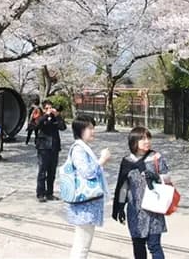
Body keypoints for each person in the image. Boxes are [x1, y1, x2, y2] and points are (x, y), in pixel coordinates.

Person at [112, 126, 171, 259]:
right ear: (134, 142)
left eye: (148, 138)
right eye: (143, 138)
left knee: (154, 246)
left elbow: (167, 179)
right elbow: (123, 186)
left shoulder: (156, 157)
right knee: (138, 247)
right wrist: (120, 207)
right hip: (135, 212)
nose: (147, 141)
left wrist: (156, 177)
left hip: (153, 210)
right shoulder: (127, 161)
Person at [65, 114, 111, 259]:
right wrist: (102, 159)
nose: (93, 131)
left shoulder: (83, 148)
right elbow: (88, 172)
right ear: (80, 130)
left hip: (86, 205)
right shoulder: (79, 149)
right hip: (84, 205)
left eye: (93, 128)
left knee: (82, 245)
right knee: (82, 247)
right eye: (89, 128)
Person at [35, 100, 66, 202]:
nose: (50, 110)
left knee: (52, 172)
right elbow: (37, 125)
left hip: (54, 148)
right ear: (44, 109)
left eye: (50, 108)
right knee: (42, 171)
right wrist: (45, 115)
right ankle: (40, 194)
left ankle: (50, 193)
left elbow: (63, 127)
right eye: (47, 108)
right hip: (43, 147)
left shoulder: (55, 117)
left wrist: (57, 115)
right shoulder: (41, 117)